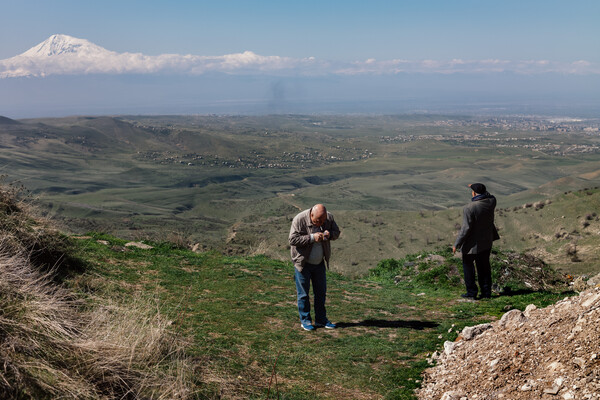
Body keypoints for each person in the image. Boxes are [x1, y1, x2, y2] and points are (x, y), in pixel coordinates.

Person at [289, 204, 340, 331]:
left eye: (323, 221)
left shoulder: (328, 218)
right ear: (311, 215)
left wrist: (329, 234)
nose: (320, 223)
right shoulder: (299, 219)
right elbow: (292, 239)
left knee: (320, 293)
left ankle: (321, 320)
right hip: (303, 263)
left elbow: (336, 233)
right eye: (317, 221)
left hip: (319, 263)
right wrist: (312, 237)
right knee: (303, 295)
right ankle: (305, 320)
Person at [453, 183, 499, 300]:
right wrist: (477, 187)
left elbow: (466, 229)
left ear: (473, 193)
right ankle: (486, 293)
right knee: (484, 267)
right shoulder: (491, 202)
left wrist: (456, 244)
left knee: (468, 267)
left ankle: (471, 292)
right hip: (487, 241)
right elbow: (490, 195)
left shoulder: (470, 208)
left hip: (472, 244)